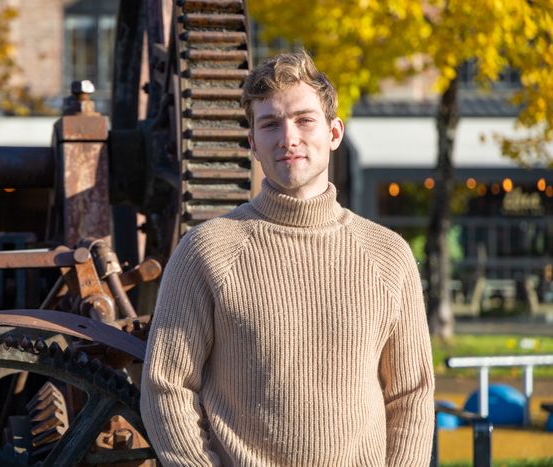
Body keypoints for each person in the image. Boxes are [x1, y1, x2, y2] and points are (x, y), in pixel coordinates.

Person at [140, 50, 435, 466]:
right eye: (270, 124)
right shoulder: (208, 250)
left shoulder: (387, 255)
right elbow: (166, 386)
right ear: (253, 144)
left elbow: (411, 395)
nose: (288, 138)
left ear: (334, 133)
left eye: (303, 119)